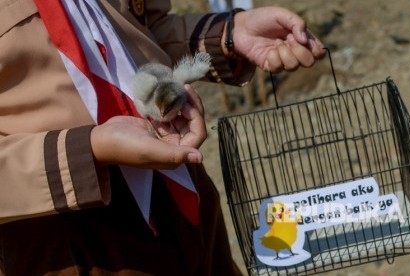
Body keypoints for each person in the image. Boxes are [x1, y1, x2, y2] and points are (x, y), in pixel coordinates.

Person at [0, 0, 325, 275]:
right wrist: (93, 149)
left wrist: (229, 35)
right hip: (73, 241)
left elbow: (141, 27)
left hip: (181, 191)